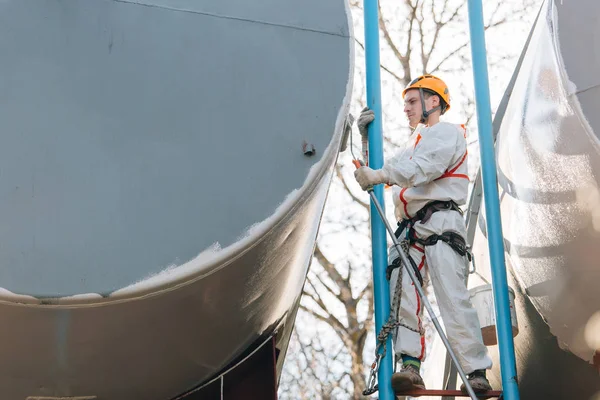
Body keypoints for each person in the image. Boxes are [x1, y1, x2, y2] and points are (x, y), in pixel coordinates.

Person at [353, 74, 493, 394]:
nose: (406, 109)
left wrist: (381, 173)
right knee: (403, 298)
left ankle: (475, 371)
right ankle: (410, 365)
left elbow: (423, 168)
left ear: (434, 102)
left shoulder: (446, 133)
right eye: (404, 104)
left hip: (440, 223)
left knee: (452, 298)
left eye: (412, 101)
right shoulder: (411, 145)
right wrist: (365, 141)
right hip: (411, 229)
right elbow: (383, 173)